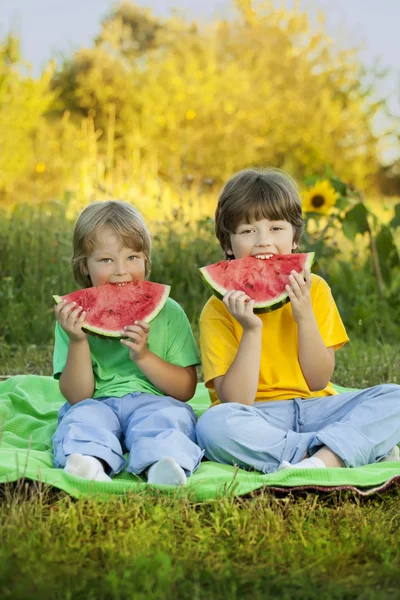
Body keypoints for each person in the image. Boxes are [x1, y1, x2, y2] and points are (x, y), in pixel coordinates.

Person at [196, 168, 400, 473]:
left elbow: (318, 379)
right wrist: (252, 329)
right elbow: (236, 400)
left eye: (276, 228)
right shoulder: (218, 309)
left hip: (319, 406)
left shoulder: (314, 289)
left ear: (295, 239)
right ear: (228, 244)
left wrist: (304, 316)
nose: (263, 242)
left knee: (394, 398)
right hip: (257, 416)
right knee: (213, 426)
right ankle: (336, 452)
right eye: (248, 231)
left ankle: (319, 456)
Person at [52, 200, 203, 485]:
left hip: (156, 401)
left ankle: (161, 466)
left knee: (169, 420)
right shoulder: (72, 318)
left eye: (132, 257)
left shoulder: (169, 312)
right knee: (81, 420)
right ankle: (88, 462)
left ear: (146, 259)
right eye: (107, 260)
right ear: (84, 266)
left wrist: (144, 357)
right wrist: (78, 342)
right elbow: (77, 396)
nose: (121, 270)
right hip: (96, 402)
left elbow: (185, 390)